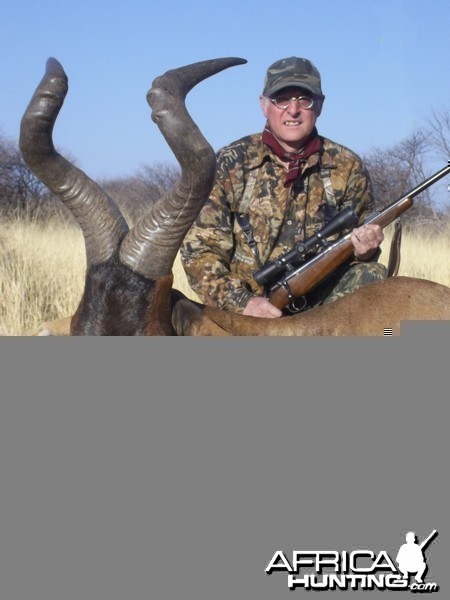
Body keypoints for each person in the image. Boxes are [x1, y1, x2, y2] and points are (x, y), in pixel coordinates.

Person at [181, 56, 386, 318]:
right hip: (246, 307)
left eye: (304, 99)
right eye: (282, 99)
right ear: (264, 106)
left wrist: (366, 251)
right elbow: (200, 251)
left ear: (320, 105)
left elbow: (354, 254)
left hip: (322, 309)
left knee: (373, 277)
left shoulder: (348, 167)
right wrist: (242, 301)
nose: (293, 110)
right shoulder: (229, 163)